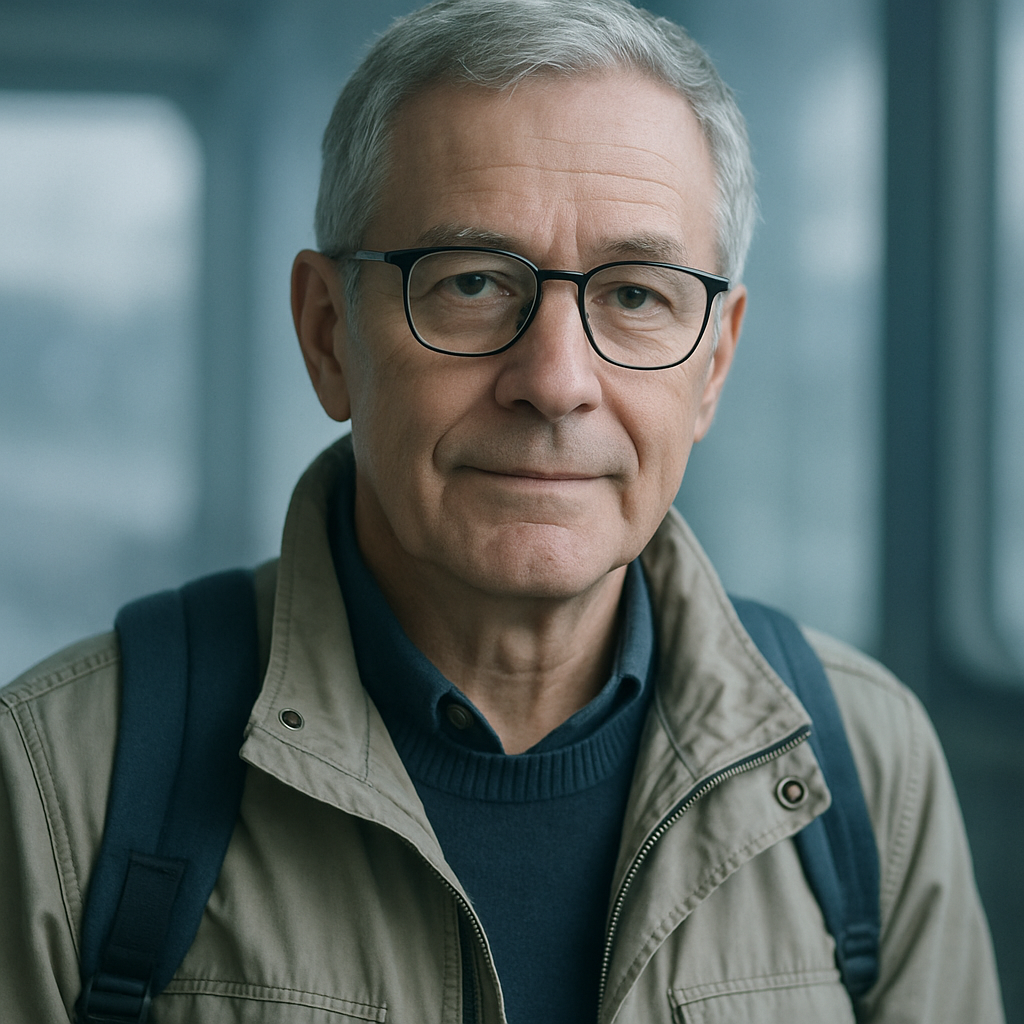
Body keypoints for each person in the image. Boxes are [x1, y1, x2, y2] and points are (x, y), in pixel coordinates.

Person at [0, 1, 1005, 1021]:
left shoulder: (864, 768)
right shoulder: (59, 780)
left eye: (636, 295)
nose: (557, 380)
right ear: (326, 335)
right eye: (473, 282)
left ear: (713, 365)